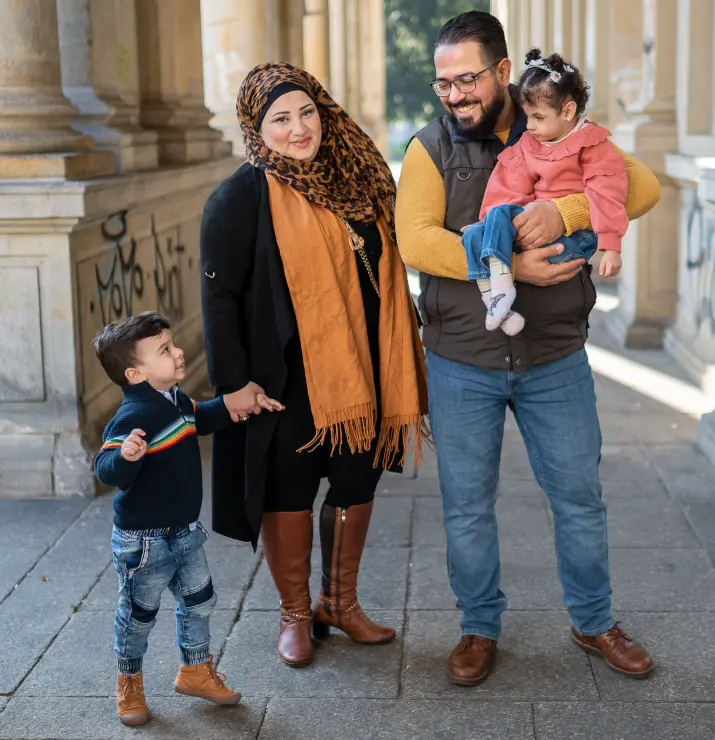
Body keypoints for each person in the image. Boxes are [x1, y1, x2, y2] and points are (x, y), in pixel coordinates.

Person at [396, 10, 659, 687]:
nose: (454, 94)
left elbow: (644, 187)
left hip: (553, 355)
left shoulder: (561, 125)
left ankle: (593, 620)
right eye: (442, 83)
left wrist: (566, 212)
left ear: (505, 73)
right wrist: (509, 253)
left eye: (467, 79)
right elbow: (416, 240)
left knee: (578, 496)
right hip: (463, 359)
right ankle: (478, 627)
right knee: (466, 504)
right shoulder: (429, 148)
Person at [200, 63, 427, 669]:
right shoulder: (240, 198)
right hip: (285, 381)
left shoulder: (358, 176)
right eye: (280, 118)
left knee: (357, 481)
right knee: (290, 490)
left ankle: (340, 603)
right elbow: (218, 298)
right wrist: (233, 385)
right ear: (256, 125)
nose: (299, 128)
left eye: (306, 112)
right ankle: (296, 613)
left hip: (364, 368)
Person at [93, 312, 253, 726]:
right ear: (134, 372)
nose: (178, 352)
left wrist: (232, 404)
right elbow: (105, 467)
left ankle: (195, 670)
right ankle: (129, 682)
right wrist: (124, 456)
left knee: (200, 600)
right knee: (138, 614)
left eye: (172, 343)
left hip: (183, 532)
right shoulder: (133, 416)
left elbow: (199, 416)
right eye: (165, 349)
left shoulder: (174, 399)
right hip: (144, 543)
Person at [463, 48, 627, 334]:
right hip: (533, 230)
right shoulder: (529, 145)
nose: (530, 126)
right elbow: (509, 186)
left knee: (499, 237)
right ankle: (498, 300)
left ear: (568, 111)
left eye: (538, 117)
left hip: (577, 238)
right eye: (528, 117)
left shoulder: (592, 143)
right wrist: (493, 225)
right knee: (476, 235)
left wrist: (611, 246)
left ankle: (502, 289)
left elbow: (606, 192)